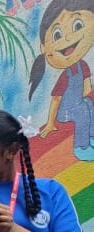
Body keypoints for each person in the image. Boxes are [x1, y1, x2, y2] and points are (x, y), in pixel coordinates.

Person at [30, 0, 94, 160]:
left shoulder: (83, 65)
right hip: (65, 112)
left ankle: (91, 136)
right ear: (44, 47)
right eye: (57, 35)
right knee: (82, 111)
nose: (68, 38)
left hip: (78, 103)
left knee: (88, 105)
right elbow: (56, 99)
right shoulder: (65, 75)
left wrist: (87, 96)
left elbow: (87, 87)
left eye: (78, 25)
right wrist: (50, 123)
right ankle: (81, 147)